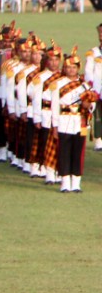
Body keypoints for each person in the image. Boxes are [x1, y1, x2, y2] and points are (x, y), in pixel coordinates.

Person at [54, 49, 91, 192]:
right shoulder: (58, 84)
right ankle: (65, 182)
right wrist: (55, 125)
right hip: (64, 120)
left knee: (78, 152)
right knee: (64, 152)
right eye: (68, 67)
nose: (71, 70)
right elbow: (55, 106)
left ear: (78, 68)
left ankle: (76, 182)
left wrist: (89, 105)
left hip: (79, 122)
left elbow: (90, 105)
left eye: (74, 67)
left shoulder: (84, 85)